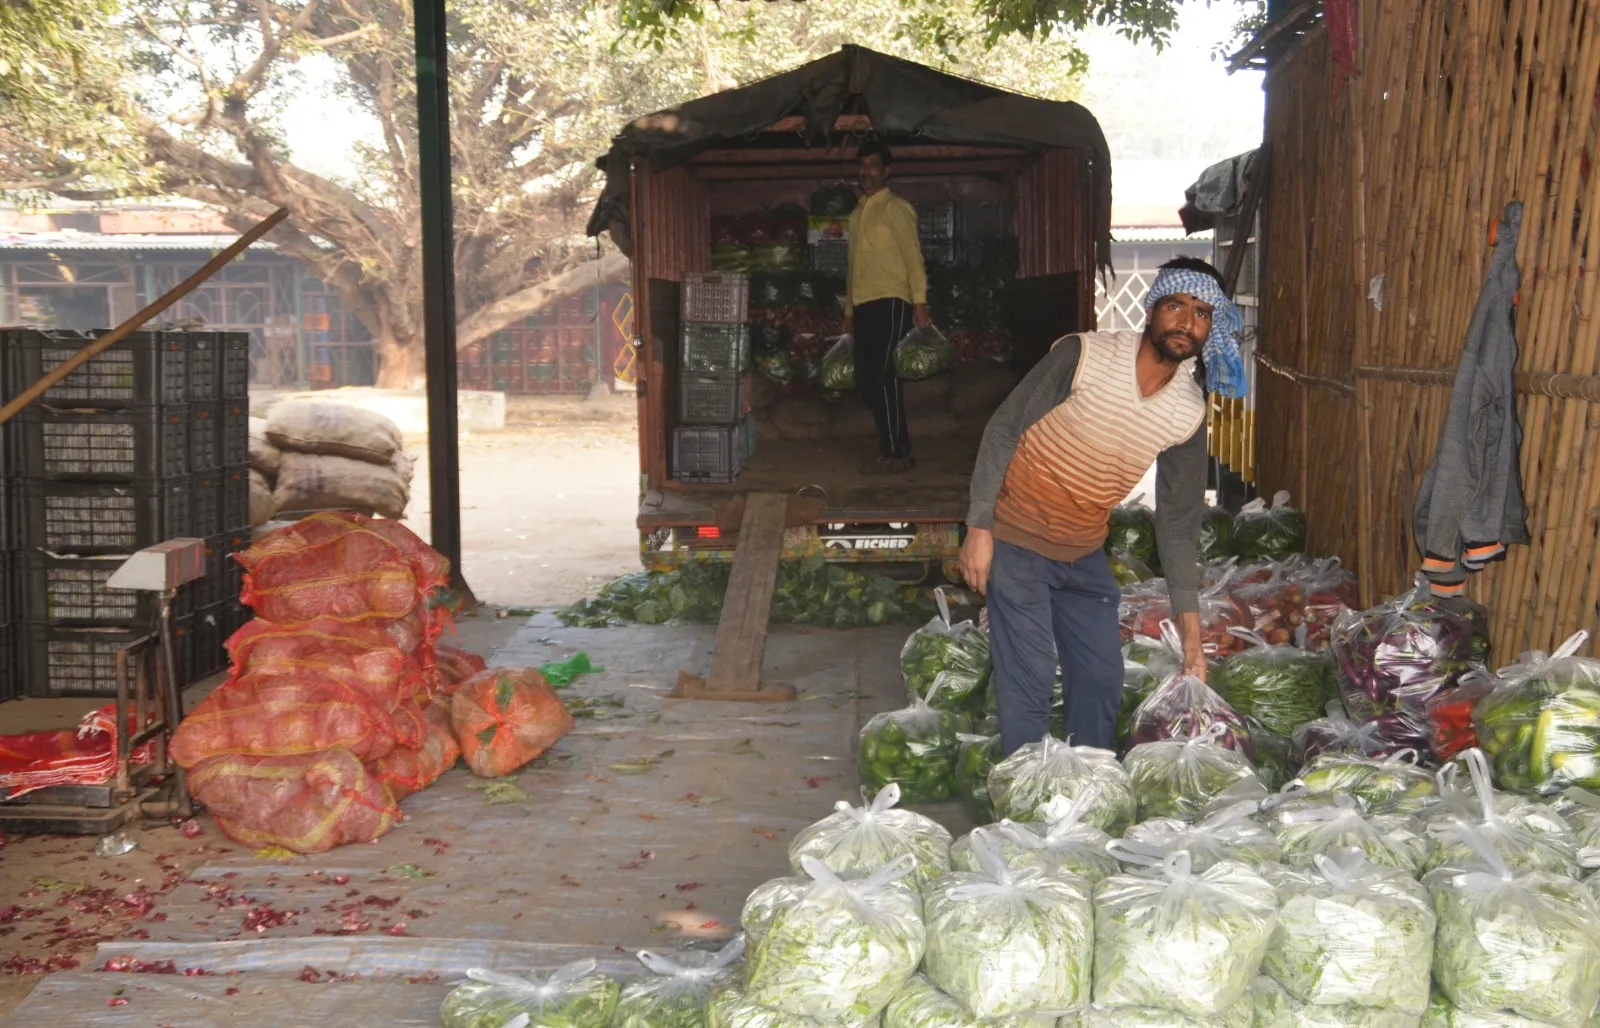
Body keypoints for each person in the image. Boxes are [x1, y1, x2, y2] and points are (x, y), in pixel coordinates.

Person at [959, 256, 1249, 756]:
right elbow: (1005, 428)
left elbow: (1178, 525)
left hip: (1084, 553)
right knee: (1027, 685)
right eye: (1176, 306)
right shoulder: (1085, 356)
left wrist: (1193, 641)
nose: (1186, 322)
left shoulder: (1187, 410)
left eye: (1202, 313)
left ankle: (1088, 792)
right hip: (1018, 539)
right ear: (1151, 308)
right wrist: (978, 527)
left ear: (1211, 326)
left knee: (1099, 681)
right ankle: (1024, 811)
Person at [842, 139, 932, 475]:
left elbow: (913, 258)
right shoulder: (857, 213)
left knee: (885, 375)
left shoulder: (897, 209)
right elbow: (852, 265)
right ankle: (891, 442)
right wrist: (849, 311)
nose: (866, 172)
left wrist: (919, 303)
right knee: (866, 379)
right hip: (864, 305)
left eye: (873, 166)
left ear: (887, 171)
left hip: (893, 301)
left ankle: (898, 450)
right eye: (862, 166)